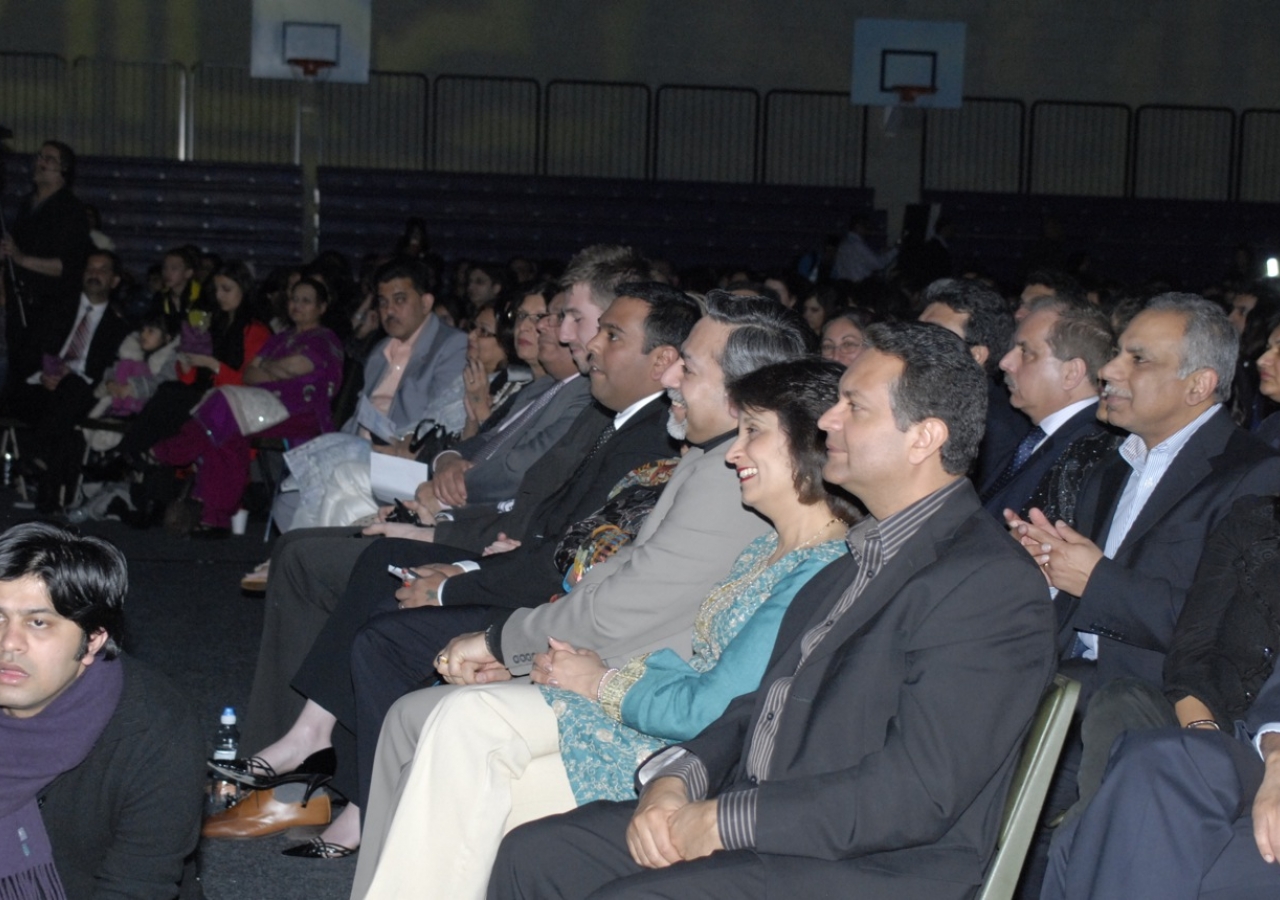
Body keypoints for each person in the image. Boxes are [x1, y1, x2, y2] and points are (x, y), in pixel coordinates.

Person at [485, 319, 1056, 900]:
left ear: (923, 438)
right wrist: (676, 780)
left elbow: (917, 791)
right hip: (773, 830)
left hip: (873, 868)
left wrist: (726, 822)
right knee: (538, 854)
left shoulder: (987, 585)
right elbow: (759, 707)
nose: (828, 422)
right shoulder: (854, 558)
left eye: (852, 408)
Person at [205, 283, 697, 855]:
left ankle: (365, 797)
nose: (578, 339)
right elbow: (505, 483)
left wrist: (454, 576)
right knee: (377, 563)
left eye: (602, 331)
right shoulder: (608, 411)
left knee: (383, 625)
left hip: (544, 594)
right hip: (512, 553)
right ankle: (313, 740)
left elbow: (556, 543)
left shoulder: (647, 430)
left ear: (661, 359)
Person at [356, 358, 857, 899]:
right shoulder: (768, 546)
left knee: (465, 726)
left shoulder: (820, 566)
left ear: (808, 443)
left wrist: (598, 679)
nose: (734, 453)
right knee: (456, 780)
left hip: (687, 754)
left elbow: (714, 704)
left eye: (753, 433)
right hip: (654, 713)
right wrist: (582, 665)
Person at [0, 521, 205, 899]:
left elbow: (136, 887)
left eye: (38, 622)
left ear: (93, 640)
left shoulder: (155, 732)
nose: (9, 643)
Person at [150, 276, 344, 536]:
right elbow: (249, 375)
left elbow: (293, 367)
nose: (297, 305)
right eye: (294, 299)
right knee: (225, 427)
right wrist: (274, 371)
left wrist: (269, 369)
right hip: (262, 406)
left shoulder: (324, 340)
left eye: (306, 301)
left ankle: (174, 451)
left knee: (224, 402)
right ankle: (213, 518)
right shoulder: (280, 339)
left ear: (322, 307)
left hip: (301, 412)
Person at [4, 249, 132, 512]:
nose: (94, 274)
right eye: (90, 268)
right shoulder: (56, 308)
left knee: (72, 391)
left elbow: (110, 370)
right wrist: (43, 375)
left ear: (115, 280)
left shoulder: (120, 325)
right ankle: (47, 483)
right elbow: (27, 350)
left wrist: (71, 376)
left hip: (81, 390)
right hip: (41, 387)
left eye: (102, 269)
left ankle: (42, 470)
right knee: (62, 417)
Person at [981, 302, 1113, 520]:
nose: (1005, 362)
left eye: (1026, 352)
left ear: (1071, 373)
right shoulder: (1036, 435)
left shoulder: (1090, 452)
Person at [919, 277, 1029, 487]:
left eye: (933, 336)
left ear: (977, 355)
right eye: (915, 331)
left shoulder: (996, 431)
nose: (913, 344)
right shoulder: (915, 399)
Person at [1, 140, 94, 379]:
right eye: (40, 157)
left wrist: (21, 259)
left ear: (63, 169)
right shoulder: (27, 203)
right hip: (19, 304)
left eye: (49, 159)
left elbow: (69, 266)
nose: (40, 162)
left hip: (48, 312)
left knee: (36, 376)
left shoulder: (71, 210)